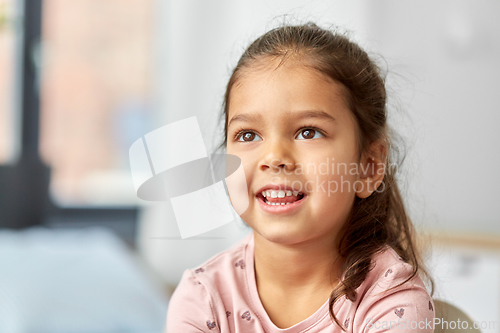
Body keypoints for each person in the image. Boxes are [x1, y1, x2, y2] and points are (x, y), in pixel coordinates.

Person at [166, 22, 435, 332]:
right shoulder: (202, 299)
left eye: (308, 132)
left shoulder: (392, 301)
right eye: (248, 134)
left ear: (369, 166)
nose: (274, 157)